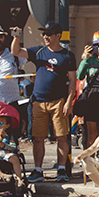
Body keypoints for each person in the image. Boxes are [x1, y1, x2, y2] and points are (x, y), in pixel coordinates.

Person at [11, 21, 77, 183]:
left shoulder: (68, 55)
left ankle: (61, 169)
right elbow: (16, 51)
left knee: (62, 136)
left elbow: (73, 81)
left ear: (57, 36)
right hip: (38, 102)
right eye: (44, 34)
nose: (45, 37)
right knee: (38, 137)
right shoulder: (38, 51)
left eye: (49, 34)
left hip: (58, 102)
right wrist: (17, 36)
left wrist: (69, 102)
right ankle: (38, 170)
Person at [0, 115, 24, 187]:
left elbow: (13, 147)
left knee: (15, 158)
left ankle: (19, 179)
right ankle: (2, 175)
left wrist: (5, 146)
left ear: (7, 126)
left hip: (6, 154)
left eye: (1, 124)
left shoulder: (9, 137)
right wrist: (0, 136)